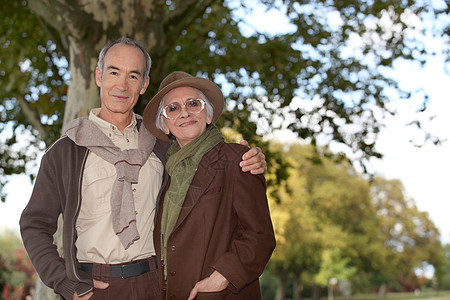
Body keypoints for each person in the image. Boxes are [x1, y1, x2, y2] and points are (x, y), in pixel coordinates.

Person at [19, 38, 267, 300]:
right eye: (114, 72)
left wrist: (248, 157)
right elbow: (34, 224)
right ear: (99, 75)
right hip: (94, 289)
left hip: (156, 286)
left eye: (133, 75)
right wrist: (65, 283)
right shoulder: (65, 153)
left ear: (144, 84)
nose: (122, 85)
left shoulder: (162, 146)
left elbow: (203, 153)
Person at [142, 71, 276, 300]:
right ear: (165, 126)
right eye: (173, 109)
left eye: (193, 104)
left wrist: (223, 275)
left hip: (221, 294)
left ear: (208, 115)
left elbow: (260, 236)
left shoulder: (237, 159)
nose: (184, 112)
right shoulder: (167, 173)